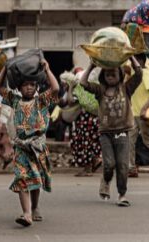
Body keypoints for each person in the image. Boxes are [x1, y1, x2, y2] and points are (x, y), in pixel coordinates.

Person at [0, 59, 60, 227]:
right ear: (19, 87)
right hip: (21, 148)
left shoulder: (41, 101)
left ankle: (35, 206)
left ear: (37, 87)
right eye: (25, 85)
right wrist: (4, 68)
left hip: (37, 148)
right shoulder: (15, 100)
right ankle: (27, 214)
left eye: (32, 85)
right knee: (22, 178)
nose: (29, 88)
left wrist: (47, 70)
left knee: (36, 180)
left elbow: (56, 89)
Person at [80, 57, 142, 207]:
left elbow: (139, 74)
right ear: (103, 76)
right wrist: (90, 66)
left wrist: (131, 57)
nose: (110, 77)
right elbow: (83, 83)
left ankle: (122, 194)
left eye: (113, 74)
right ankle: (106, 180)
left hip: (123, 133)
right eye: (107, 74)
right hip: (106, 133)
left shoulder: (126, 88)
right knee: (109, 164)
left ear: (120, 75)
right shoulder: (100, 90)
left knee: (122, 165)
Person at [60, 69, 102, 177]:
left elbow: (70, 101)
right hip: (95, 119)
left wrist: (71, 87)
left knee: (83, 144)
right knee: (93, 142)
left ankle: (87, 169)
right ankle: (96, 160)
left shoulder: (80, 91)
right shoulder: (94, 89)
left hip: (84, 121)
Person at [128, 53, 149, 177]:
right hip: (133, 113)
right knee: (130, 140)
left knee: (147, 141)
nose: (132, 64)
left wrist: (144, 108)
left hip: (143, 113)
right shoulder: (132, 74)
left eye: (134, 61)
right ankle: (131, 168)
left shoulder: (146, 73)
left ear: (140, 61)